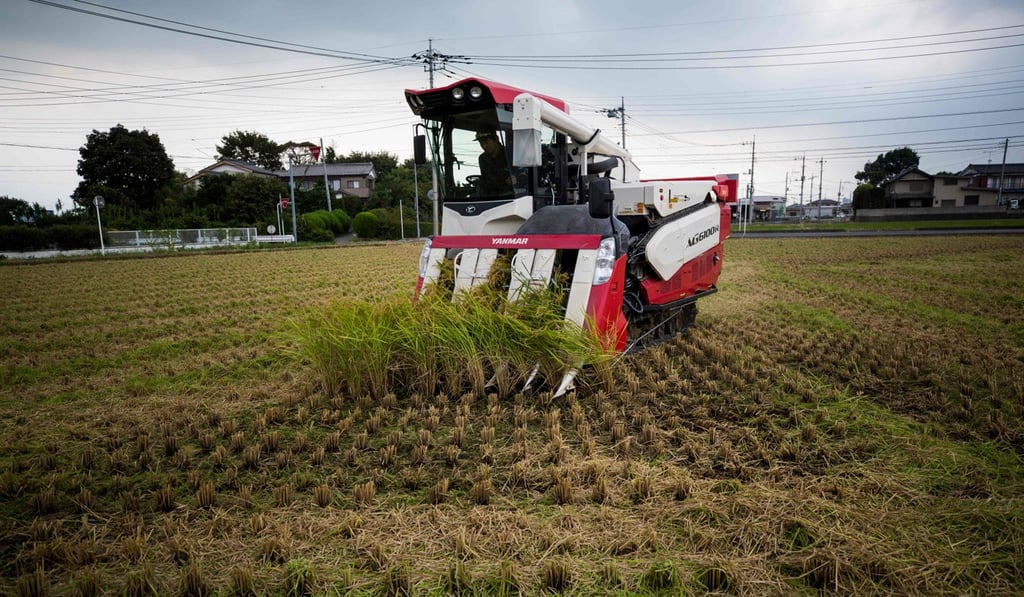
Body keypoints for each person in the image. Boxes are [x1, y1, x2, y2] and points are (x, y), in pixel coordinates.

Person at [475, 130, 514, 196]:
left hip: (510, 195)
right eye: (481, 143)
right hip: (490, 195)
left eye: (487, 142)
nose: (484, 146)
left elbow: (521, 176)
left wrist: (514, 178)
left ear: (496, 139)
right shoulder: (482, 158)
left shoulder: (510, 154)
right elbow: (485, 179)